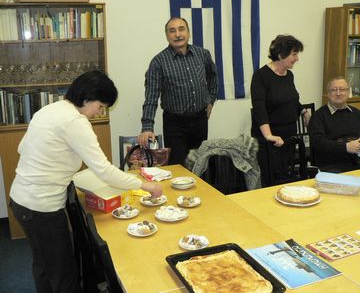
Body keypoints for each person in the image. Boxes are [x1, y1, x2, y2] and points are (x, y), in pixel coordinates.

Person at [9, 70, 163, 293]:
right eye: (100, 106)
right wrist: (146, 185)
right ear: (86, 98)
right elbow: (105, 171)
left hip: (22, 200)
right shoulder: (75, 122)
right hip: (41, 207)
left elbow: (21, 148)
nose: (100, 112)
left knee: (44, 265)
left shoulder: (52, 109)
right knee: (63, 274)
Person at [138, 17, 218, 166]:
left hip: (200, 120)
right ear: (167, 36)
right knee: (178, 167)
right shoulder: (158, 62)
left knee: (199, 165)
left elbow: (213, 77)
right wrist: (147, 127)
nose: (177, 34)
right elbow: (151, 96)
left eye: (181, 29)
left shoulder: (203, 54)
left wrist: (210, 100)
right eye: (172, 31)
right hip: (175, 124)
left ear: (188, 33)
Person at [250, 34, 310, 186]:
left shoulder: (289, 75)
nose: (297, 59)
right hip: (269, 139)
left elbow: (292, 100)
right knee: (271, 181)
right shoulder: (261, 76)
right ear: (280, 54)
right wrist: (269, 135)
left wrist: (303, 112)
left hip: (288, 136)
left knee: (286, 178)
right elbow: (259, 109)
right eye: (294, 54)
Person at [308, 76, 360, 172]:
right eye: (334, 90)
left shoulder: (357, 113)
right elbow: (317, 142)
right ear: (328, 94)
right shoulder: (319, 116)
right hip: (331, 166)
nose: (338, 93)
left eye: (342, 89)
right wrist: (345, 147)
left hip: (359, 164)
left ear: (348, 92)